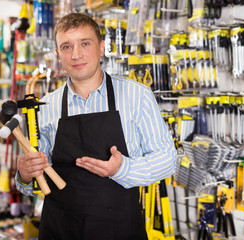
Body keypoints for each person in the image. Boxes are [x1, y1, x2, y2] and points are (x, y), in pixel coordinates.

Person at [15, 12, 177, 240]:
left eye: (85, 43)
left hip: (119, 229)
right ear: (58, 54)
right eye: (67, 46)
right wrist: (24, 174)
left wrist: (122, 170)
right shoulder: (44, 106)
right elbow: (34, 183)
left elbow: (167, 160)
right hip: (60, 229)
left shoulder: (136, 95)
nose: (76, 55)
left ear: (101, 47)